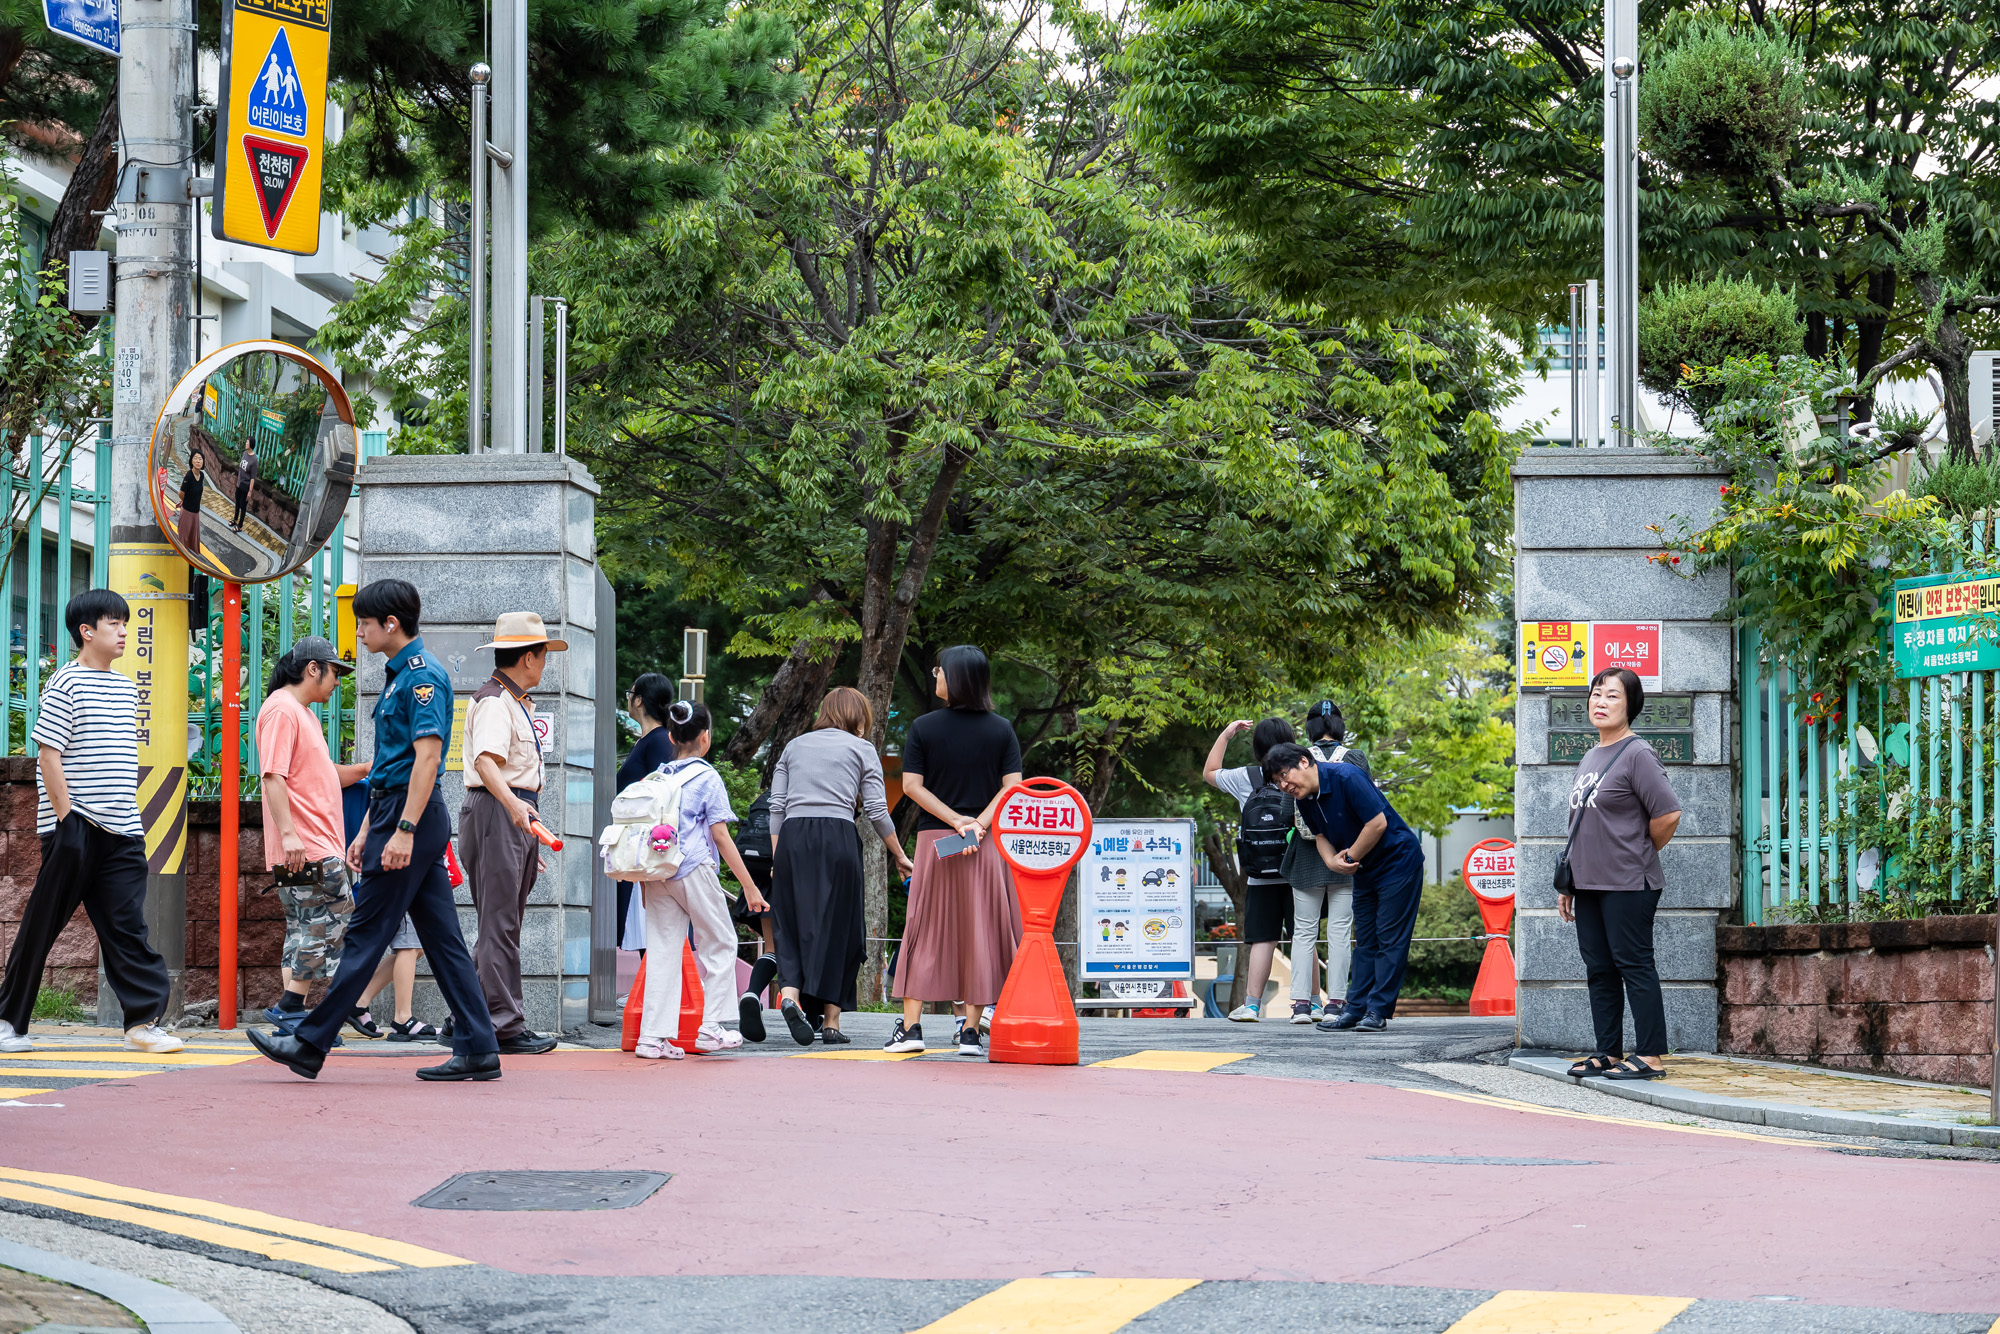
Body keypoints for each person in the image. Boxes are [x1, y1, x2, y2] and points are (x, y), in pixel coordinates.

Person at [247, 578, 501, 1081]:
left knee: (365, 933)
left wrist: (403, 830)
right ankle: (478, 1046)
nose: (358, 633)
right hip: (394, 815)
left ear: (390, 623)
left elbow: (427, 760)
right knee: (443, 939)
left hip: (409, 817)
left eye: (364, 623)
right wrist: (367, 830)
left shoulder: (422, 677)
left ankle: (309, 1042)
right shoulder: (398, 677)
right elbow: (387, 766)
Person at [0, 590, 183, 1056]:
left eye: (125, 624)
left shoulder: (125, 687)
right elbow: (49, 755)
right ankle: (7, 1022)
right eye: (114, 623)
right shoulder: (65, 683)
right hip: (74, 827)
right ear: (87, 631)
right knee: (43, 925)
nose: (124, 632)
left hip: (122, 832)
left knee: (127, 928)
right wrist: (67, 822)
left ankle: (141, 1024)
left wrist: (130, 822)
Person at [887, 646, 1022, 1056]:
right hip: (985, 843)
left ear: (956, 677)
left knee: (924, 928)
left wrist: (955, 821)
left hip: (936, 842)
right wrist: (977, 825)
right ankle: (971, 1033)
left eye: (940, 671)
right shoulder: (1002, 729)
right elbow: (1013, 788)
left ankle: (912, 1029)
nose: (936, 676)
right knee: (980, 932)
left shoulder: (924, 727)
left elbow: (912, 786)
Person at [768, 687, 913, 1046]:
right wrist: (899, 853)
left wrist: (777, 857)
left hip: (793, 837)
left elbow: (777, 806)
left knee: (791, 922)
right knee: (842, 927)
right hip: (838, 836)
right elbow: (876, 810)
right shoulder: (861, 749)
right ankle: (831, 1023)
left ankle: (790, 996)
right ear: (857, 717)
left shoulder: (794, 746)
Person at [1558, 666, 1683, 1081]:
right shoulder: (1591, 756)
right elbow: (1581, 825)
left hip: (1628, 882)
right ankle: (1608, 1051)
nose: (1601, 702)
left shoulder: (1637, 754)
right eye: (1596, 694)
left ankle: (1650, 1055)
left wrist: (1639, 851)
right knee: (1599, 969)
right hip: (1588, 882)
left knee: (1634, 964)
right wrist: (1570, 883)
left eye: (1612, 695)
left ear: (1631, 706)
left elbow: (1668, 814)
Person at [633, 699, 769, 1060]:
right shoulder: (707, 777)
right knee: (721, 942)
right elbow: (720, 836)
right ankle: (710, 1027)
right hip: (692, 867)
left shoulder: (658, 776)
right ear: (705, 737)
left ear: (672, 737)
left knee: (662, 951)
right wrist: (749, 887)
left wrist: (644, 883)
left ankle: (652, 1038)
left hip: (657, 872)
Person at [458, 612, 565, 1057]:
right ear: (528, 657)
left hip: (510, 816)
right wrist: (513, 811)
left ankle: (467, 1017)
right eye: (543, 655)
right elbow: (485, 763)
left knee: (499, 924)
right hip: (500, 812)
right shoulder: (496, 701)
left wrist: (521, 829)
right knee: (500, 924)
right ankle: (503, 1024)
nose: (545, 664)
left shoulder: (513, 700)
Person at [1265, 738, 1426, 1032]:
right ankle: (1354, 1009)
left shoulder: (1347, 776)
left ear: (1304, 761)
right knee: (1365, 940)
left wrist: (1349, 857)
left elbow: (1377, 823)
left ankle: (1377, 1011)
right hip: (1363, 869)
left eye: (1284, 775)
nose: (1284, 786)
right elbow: (1320, 835)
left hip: (1398, 862)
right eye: (1277, 782)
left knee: (1389, 939)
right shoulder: (1305, 800)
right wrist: (1331, 862)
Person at [256, 638, 370, 1034]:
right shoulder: (283, 710)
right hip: (307, 846)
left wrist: (369, 768)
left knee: (303, 927)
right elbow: (272, 776)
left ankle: (292, 1017)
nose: (338, 681)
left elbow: (325, 773)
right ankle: (294, 1005)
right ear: (313, 669)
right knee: (336, 920)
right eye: (335, 672)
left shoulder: (302, 713)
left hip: (308, 845)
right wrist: (290, 836)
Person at [1202, 717, 1299, 1022]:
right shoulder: (1301, 773)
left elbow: (1209, 773)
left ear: (1257, 746)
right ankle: (1309, 1006)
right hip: (1297, 872)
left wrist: (1226, 734)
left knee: (1263, 939)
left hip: (1259, 874)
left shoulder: (1246, 776)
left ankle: (1252, 1006)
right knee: (1303, 938)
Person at [1279, 701, 1366, 1023]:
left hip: (1306, 856)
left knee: (1303, 931)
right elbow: (1367, 806)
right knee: (1341, 931)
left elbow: (1286, 812)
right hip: (1349, 855)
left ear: (1310, 728)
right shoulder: (1354, 758)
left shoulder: (1298, 761)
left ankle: (1302, 1005)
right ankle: (1336, 1004)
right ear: (1340, 726)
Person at [177, 448, 205, 552]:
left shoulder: (202, 475)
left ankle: (188, 557)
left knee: (192, 539)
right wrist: (184, 501)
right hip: (187, 512)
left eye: (200, 459)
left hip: (195, 513)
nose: (198, 461)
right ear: (191, 461)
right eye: (195, 458)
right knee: (183, 540)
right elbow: (181, 493)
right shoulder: (188, 476)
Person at [230, 445, 257, 530]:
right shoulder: (244, 453)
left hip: (246, 486)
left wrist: (250, 491)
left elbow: (253, 477)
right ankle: (235, 519)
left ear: (251, 444)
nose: (246, 444)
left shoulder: (254, 459)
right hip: (239, 484)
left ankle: (240, 525)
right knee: (237, 502)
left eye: (247, 442)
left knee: (243, 506)